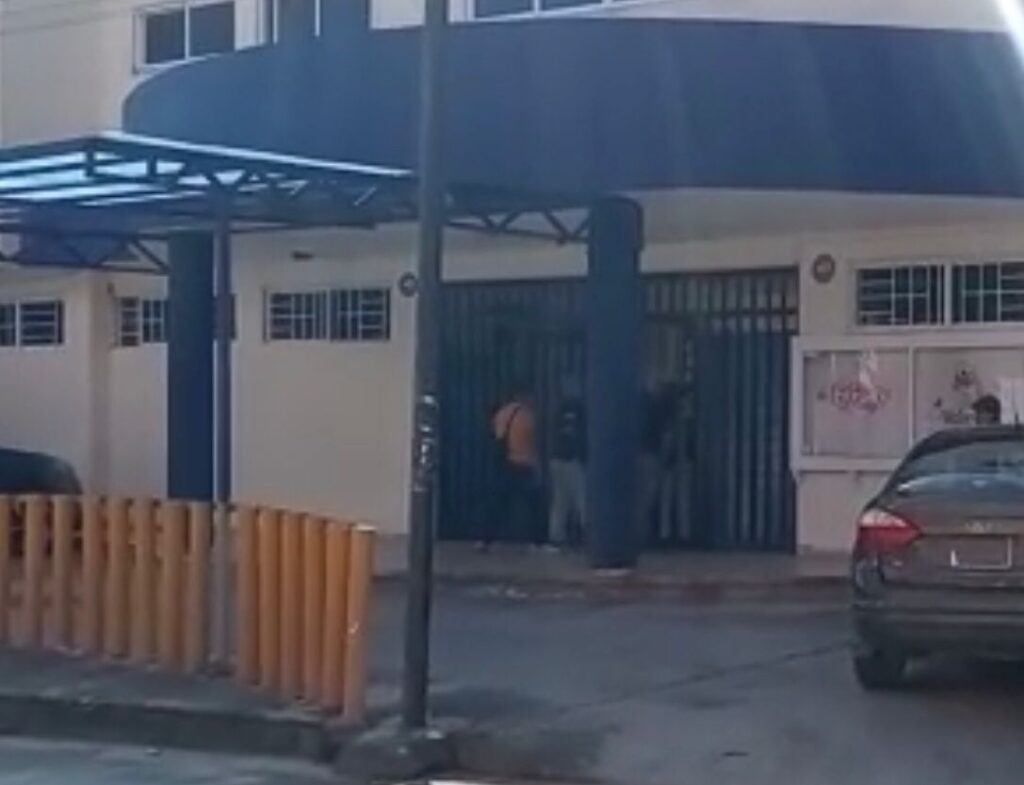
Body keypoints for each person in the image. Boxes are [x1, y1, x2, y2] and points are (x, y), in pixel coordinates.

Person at [490, 386, 543, 545]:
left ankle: (486, 538)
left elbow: (497, 436)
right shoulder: (527, 415)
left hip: (506, 463)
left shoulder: (502, 413)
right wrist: (537, 466)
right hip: (524, 463)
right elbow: (530, 443)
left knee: (500, 502)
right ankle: (537, 540)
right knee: (533, 503)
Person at [548, 381, 586, 547]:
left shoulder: (558, 410)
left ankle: (557, 535)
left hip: (558, 459)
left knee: (561, 500)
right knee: (581, 497)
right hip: (571, 460)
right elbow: (577, 435)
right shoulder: (577, 409)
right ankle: (586, 532)